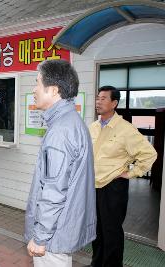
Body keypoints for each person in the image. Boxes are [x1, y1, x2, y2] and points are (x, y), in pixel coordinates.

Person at [24, 59, 96, 267]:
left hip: (53, 236)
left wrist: (40, 237)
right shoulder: (71, 121)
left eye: (37, 83)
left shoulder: (61, 131)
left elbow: (54, 191)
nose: (34, 89)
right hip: (62, 228)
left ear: (53, 90)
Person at [89, 86, 157, 267]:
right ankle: (97, 263)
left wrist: (132, 173)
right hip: (93, 186)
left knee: (111, 231)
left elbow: (149, 154)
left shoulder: (126, 129)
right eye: (98, 98)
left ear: (114, 103)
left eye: (103, 98)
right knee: (96, 229)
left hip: (113, 186)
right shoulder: (93, 127)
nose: (99, 101)